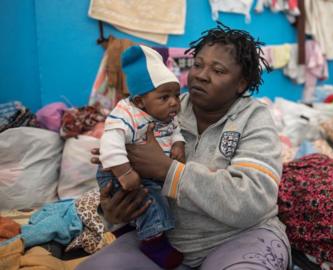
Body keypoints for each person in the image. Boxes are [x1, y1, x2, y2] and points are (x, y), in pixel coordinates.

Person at [77, 23, 290, 270]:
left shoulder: (254, 119)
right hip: (164, 243)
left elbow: (253, 199)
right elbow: (127, 178)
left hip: (240, 237)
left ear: (241, 83)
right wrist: (114, 211)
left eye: (218, 70)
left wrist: (167, 171)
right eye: (197, 65)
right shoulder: (156, 111)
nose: (201, 75)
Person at [96, 44, 185, 268]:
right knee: (150, 201)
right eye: (164, 97)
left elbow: (176, 130)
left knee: (158, 199)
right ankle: (153, 243)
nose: (174, 102)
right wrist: (125, 173)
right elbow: (110, 144)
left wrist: (178, 144)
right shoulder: (126, 114)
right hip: (119, 170)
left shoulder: (167, 114)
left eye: (176, 95)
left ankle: (129, 229)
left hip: (145, 171)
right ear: (139, 101)